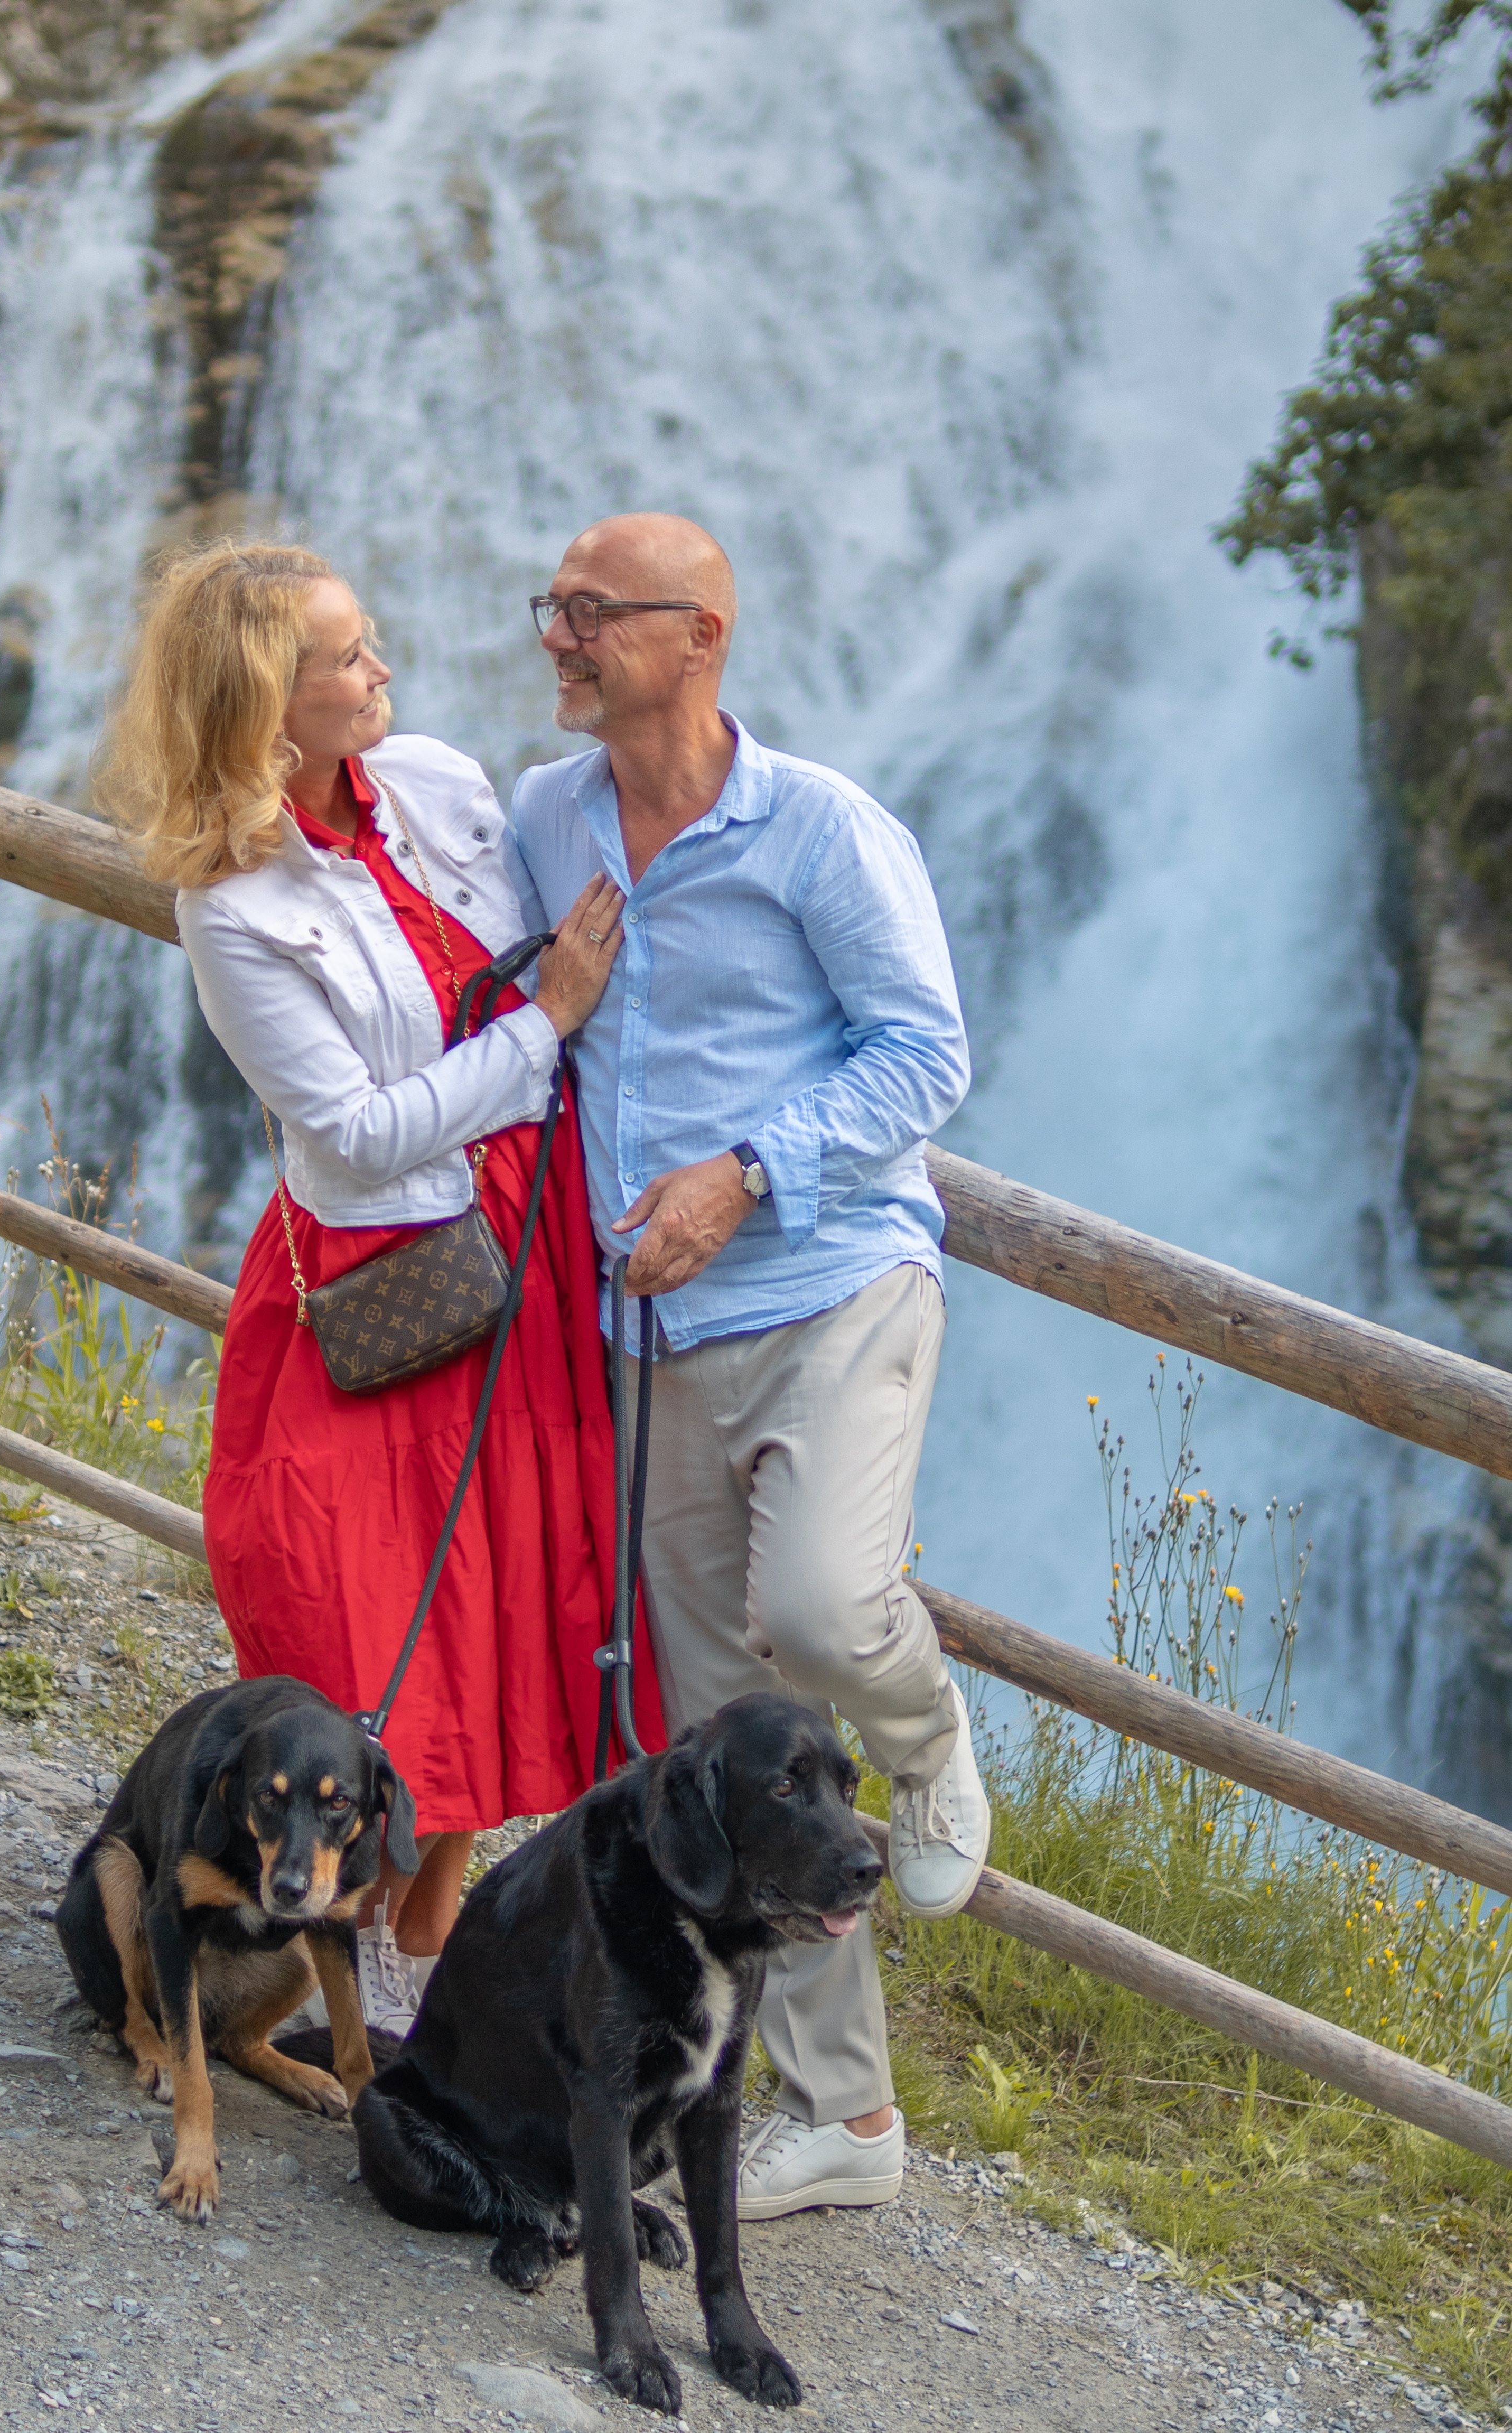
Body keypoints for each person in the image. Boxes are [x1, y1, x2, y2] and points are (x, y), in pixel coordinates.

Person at [99, 539, 663, 2035]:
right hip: (388, 1273)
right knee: (352, 1612)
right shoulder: (230, 900)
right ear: (273, 706)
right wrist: (541, 1032)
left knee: (508, 1593)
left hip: (528, 1243)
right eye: (351, 657)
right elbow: (345, 1135)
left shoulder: (439, 784)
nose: (383, 672)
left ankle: (422, 1930)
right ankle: (333, 1933)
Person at [508, 511, 987, 2222]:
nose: (555, 636)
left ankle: (926, 1740)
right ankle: (846, 2122)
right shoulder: (547, 812)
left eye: (589, 613)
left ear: (696, 636)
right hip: (648, 1335)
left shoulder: (823, 831)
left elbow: (926, 1050)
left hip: (831, 1284)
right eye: (551, 608)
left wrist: (747, 1172)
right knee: (735, 1768)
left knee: (826, 1610)